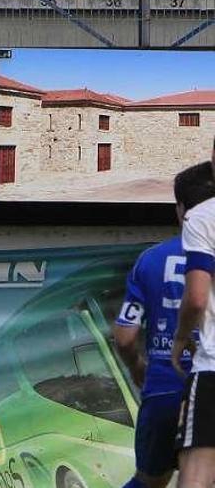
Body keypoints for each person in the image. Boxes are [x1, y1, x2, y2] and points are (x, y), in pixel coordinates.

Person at [113, 166, 211, 488]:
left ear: (181, 210)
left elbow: (125, 337)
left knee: (149, 481)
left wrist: (137, 368)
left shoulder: (151, 259)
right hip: (206, 381)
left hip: (163, 387)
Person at [172, 161, 215, 488]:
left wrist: (181, 337)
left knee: (196, 473)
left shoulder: (201, 216)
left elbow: (197, 297)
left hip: (213, 364)